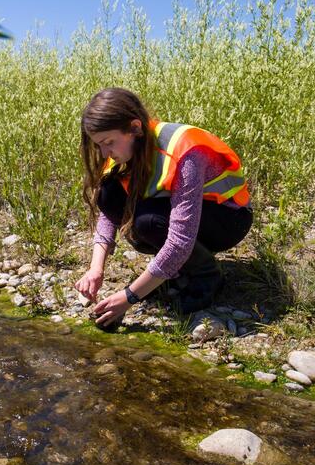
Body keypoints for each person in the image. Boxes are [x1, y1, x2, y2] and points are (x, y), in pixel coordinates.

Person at [72, 87, 253, 329]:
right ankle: (176, 271)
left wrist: (129, 297)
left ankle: (207, 274)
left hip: (229, 219)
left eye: (108, 143)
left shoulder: (185, 151)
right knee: (108, 193)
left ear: (135, 128)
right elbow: (109, 210)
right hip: (189, 217)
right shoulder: (123, 147)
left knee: (147, 223)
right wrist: (96, 269)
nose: (104, 152)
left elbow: (180, 240)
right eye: (99, 145)